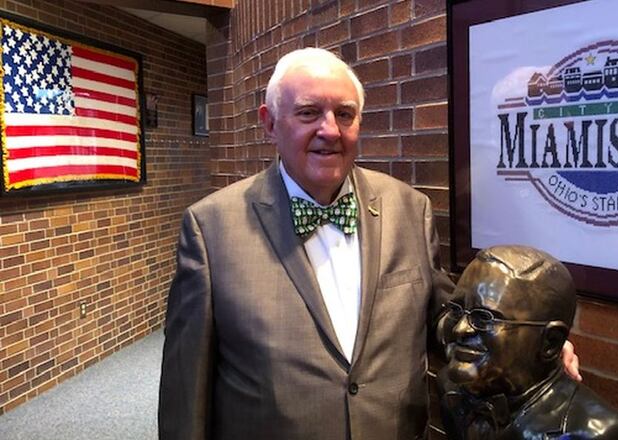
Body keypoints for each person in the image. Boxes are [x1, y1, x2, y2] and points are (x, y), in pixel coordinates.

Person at [158, 48, 579, 440]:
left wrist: (528, 351)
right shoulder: (211, 228)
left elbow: (446, 320)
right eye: (308, 113)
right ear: (269, 122)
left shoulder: (409, 208)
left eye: (345, 114)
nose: (330, 130)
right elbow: (185, 389)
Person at [439, 245, 618, 440]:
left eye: (485, 318)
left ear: (550, 342)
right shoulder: (451, 390)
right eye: (456, 310)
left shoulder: (595, 431)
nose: (459, 329)